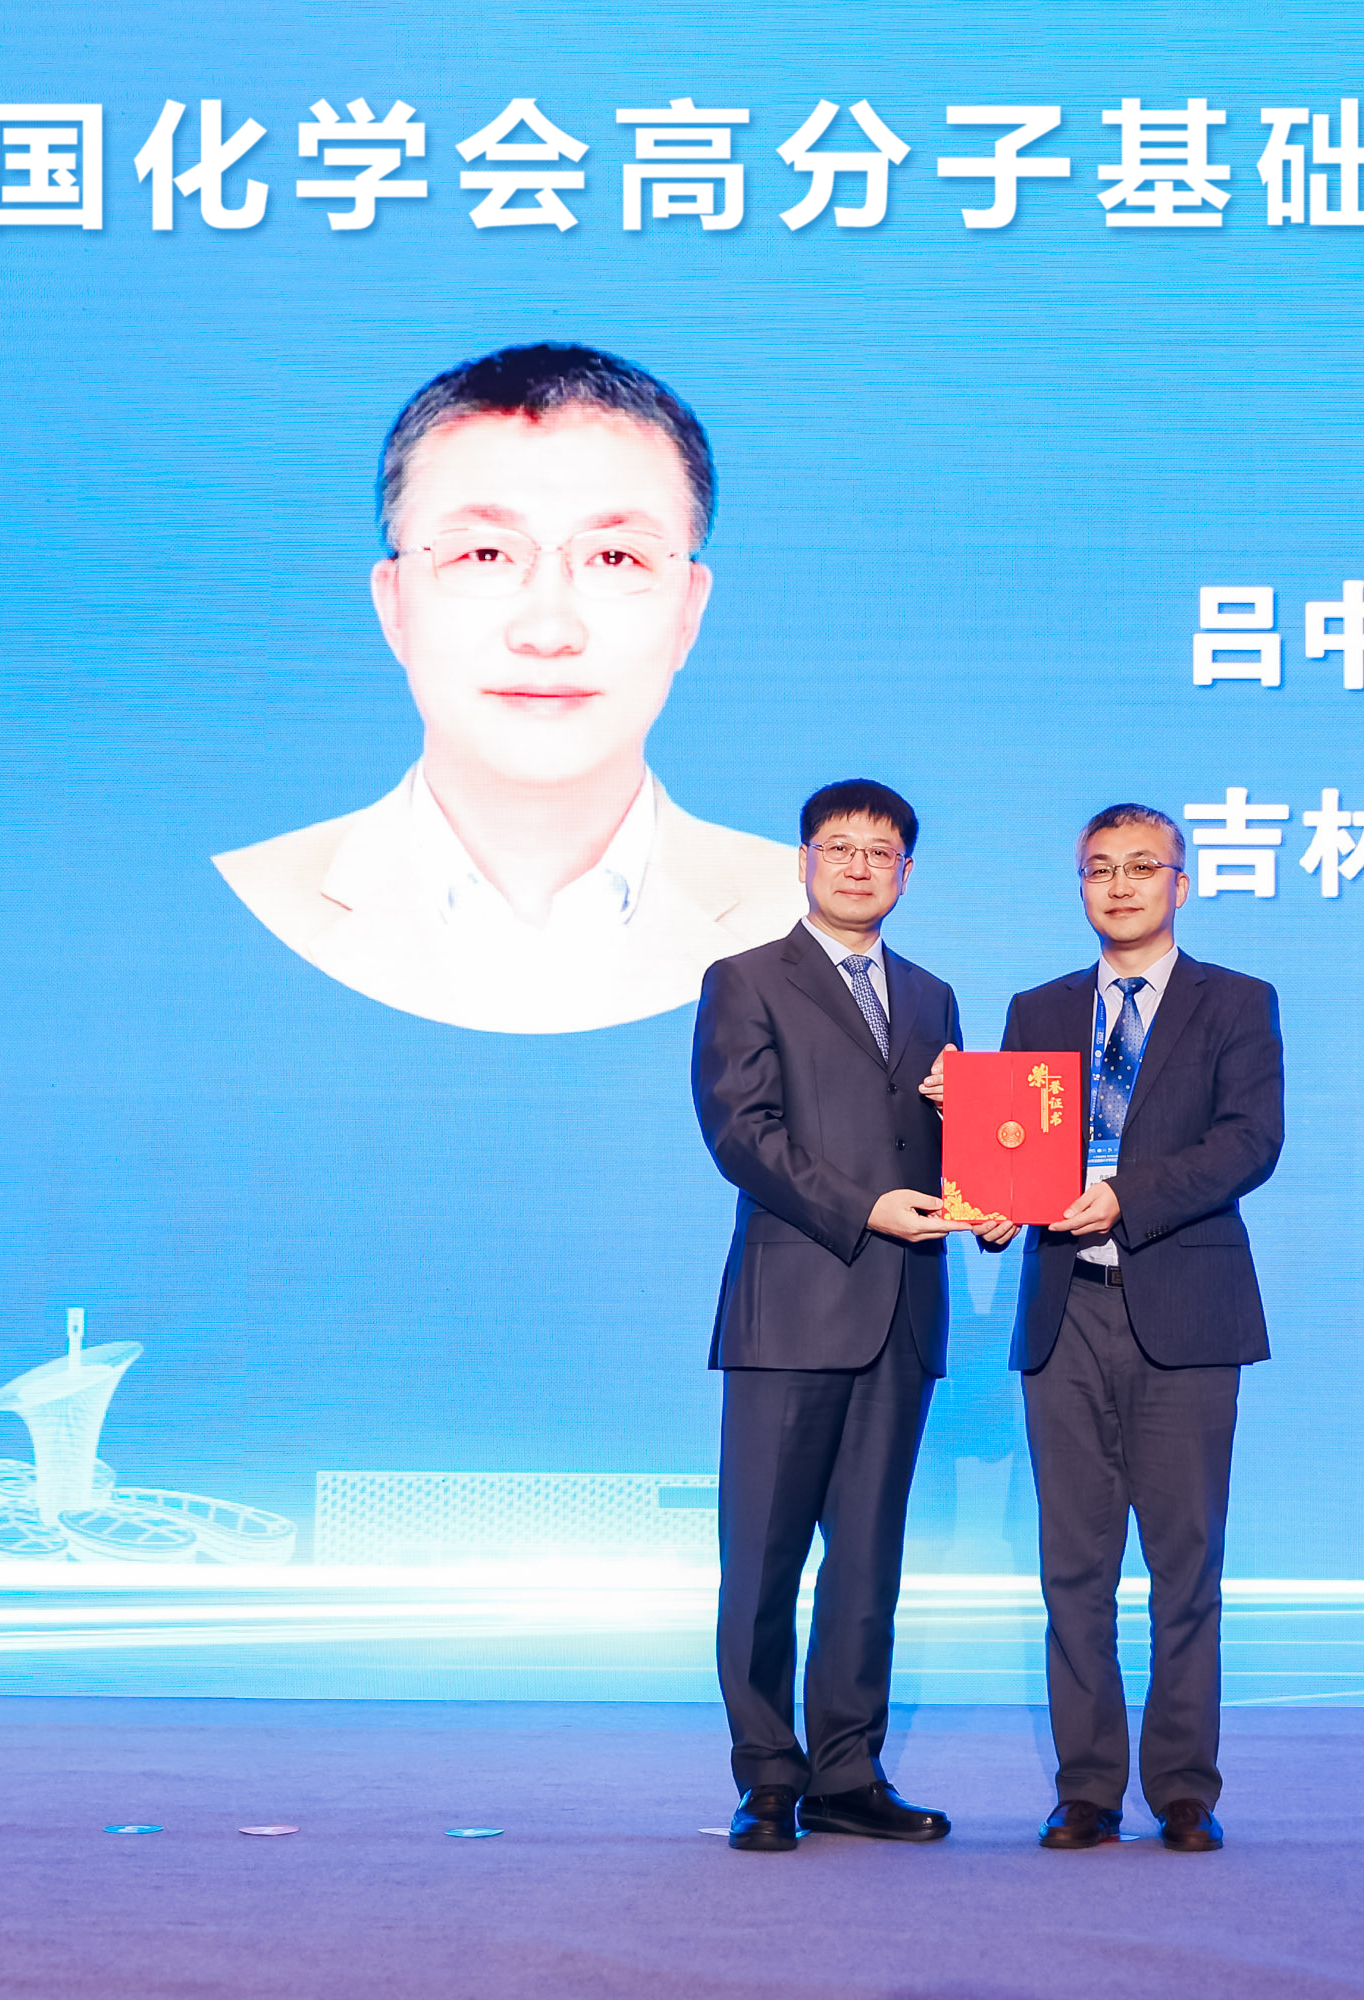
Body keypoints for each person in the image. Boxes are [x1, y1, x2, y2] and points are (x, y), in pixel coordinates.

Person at [215, 343, 801, 1035]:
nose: (548, 631)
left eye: (615, 557)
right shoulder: (239, 904)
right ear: (393, 605)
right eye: (485, 553)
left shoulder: (817, 922)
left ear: (690, 611)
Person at [975, 803, 1283, 1854]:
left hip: (1185, 1313)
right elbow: (1012, 1152)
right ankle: (1088, 1790)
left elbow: (1250, 1141)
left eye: (1141, 867)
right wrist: (991, 1203)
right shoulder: (1039, 1008)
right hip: (1063, 1311)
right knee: (1074, 1569)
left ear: (1179, 885)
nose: (1119, 885)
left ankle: (1185, 1790)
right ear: (1080, 887)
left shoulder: (1236, 1001)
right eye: (1098, 869)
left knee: (1185, 1568)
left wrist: (1126, 1196)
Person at [691, 779, 975, 1853]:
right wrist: (863, 1207)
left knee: (866, 1565)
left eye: (881, 851)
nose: (861, 866)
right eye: (840, 846)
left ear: (909, 871)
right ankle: (768, 1775)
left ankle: (848, 1773)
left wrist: (989, 1187)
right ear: (803, 860)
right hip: (791, 1311)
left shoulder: (934, 995)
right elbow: (742, 1133)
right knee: (762, 1562)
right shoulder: (745, 979)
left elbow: (955, 1149)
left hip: (900, 1312)